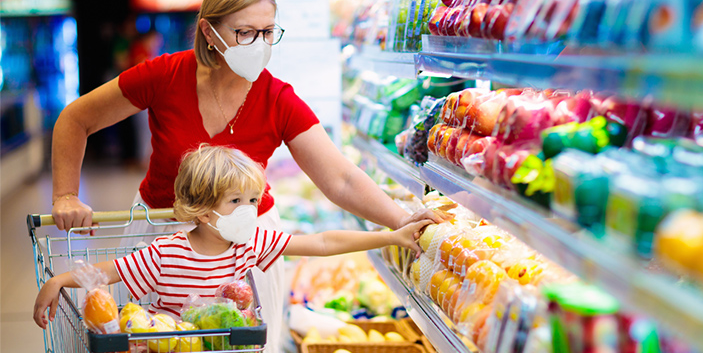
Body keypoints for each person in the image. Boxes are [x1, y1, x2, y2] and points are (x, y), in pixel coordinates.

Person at [48, 0, 440, 353]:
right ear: (209, 32)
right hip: (162, 240)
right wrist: (65, 194)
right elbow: (76, 119)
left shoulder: (277, 98)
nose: (260, 43)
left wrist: (401, 220)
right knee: (154, 340)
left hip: (245, 245)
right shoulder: (164, 76)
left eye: (268, 32)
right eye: (245, 32)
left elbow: (340, 179)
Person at [34, 145, 431, 328]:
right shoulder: (166, 253)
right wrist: (59, 280)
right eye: (236, 201)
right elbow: (111, 271)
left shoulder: (251, 242)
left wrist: (391, 236)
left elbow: (323, 243)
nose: (250, 210)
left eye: (254, 199)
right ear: (203, 211)